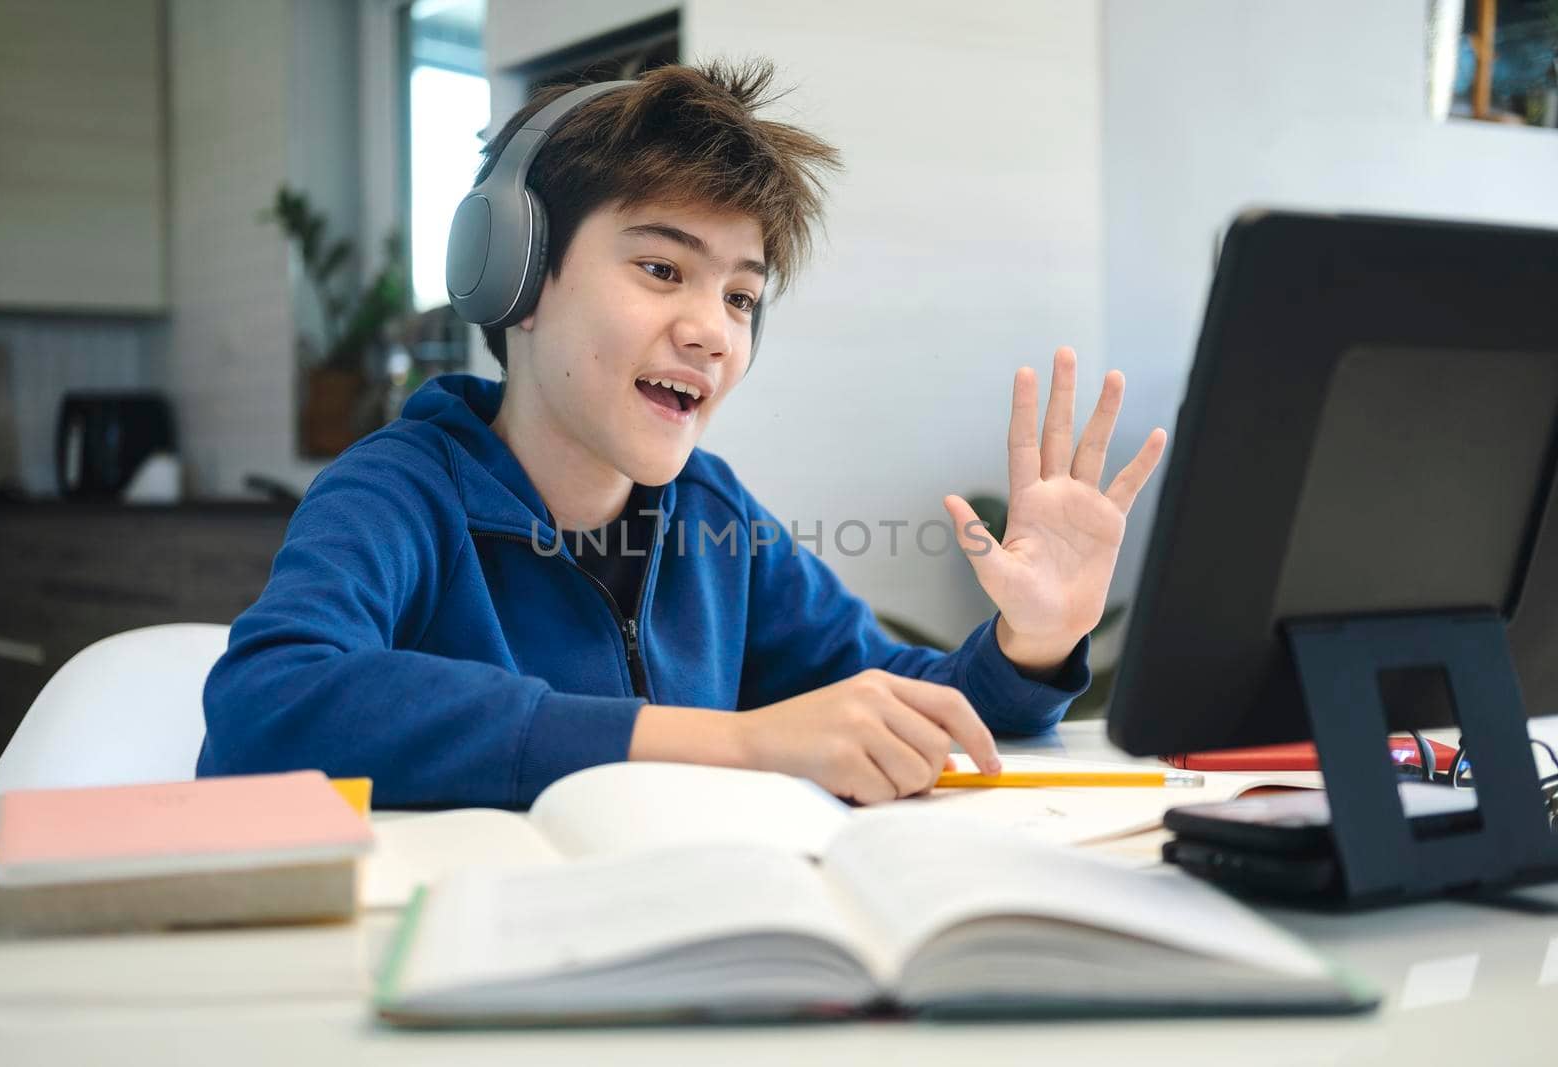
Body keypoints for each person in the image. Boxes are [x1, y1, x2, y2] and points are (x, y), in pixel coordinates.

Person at [197, 59, 1167, 809]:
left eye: (742, 295)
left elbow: (912, 705)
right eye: (663, 269)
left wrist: (1032, 642)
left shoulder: (713, 517)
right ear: (515, 277)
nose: (712, 328)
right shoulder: (400, 490)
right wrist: (732, 740)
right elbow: (269, 709)